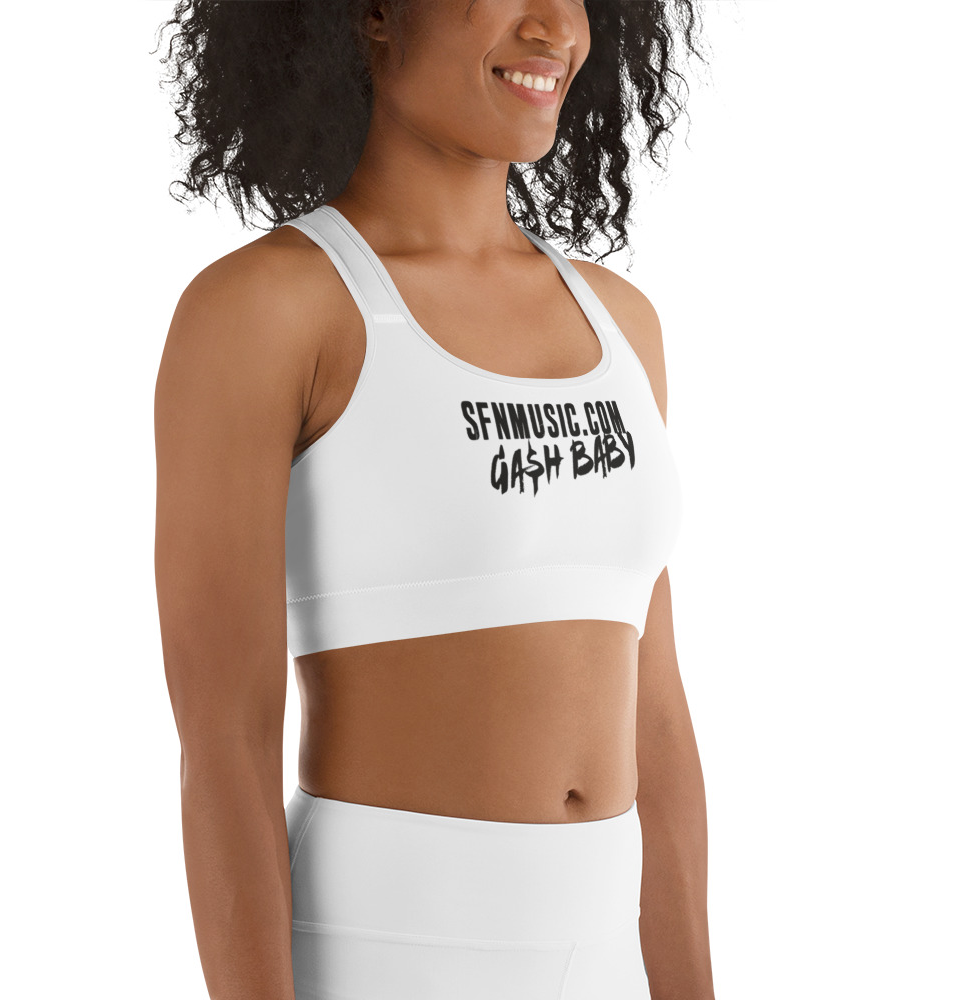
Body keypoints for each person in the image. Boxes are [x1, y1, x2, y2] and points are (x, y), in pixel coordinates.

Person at [153, 1, 714, 998]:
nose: (555, 27)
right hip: (387, 951)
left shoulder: (621, 323)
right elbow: (225, 742)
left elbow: (658, 720)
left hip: (605, 956)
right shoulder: (268, 309)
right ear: (371, 13)